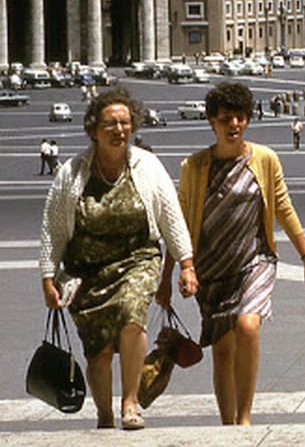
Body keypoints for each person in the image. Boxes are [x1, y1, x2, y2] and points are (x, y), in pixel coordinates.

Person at [163, 81, 305, 425]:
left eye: (239, 118)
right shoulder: (193, 167)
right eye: (225, 119)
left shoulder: (265, 159)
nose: (233, 125)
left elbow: (284, 208)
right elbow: (177, 223)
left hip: (255, 260)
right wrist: (171, 275)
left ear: (248, 120)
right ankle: (229, 425)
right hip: (212, 266)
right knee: (222, 352)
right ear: (212, 122)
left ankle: (246, 418)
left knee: (248, 326)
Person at [39, 87, 197, 430]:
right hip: (86, 272)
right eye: (110, 123)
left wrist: (186, 264)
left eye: (125, 122)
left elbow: (171, 217)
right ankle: (104, 414)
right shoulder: (72, 173)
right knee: (97, 349)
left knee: (131, 315)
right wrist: (48, 277)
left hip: (137, 260)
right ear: (94, 129)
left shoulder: (147, 166)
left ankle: (130, 402)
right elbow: (52, 228)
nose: (119, 130)